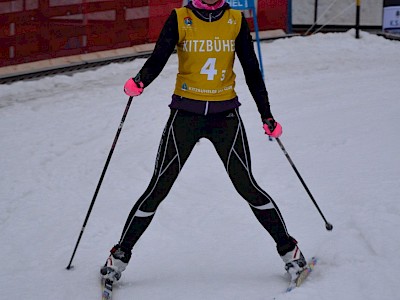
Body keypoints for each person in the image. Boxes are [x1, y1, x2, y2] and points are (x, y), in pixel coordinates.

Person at [100, 0, 306, 283]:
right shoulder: (180, 18)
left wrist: (266, 114)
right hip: (186, 114)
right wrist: (140, 80)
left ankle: (290, 252)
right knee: (158, 186)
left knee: (247, 185)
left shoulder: (235, 20)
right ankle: (119, 257)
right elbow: (160, 56)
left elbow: (251, 69)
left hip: (225, 116)